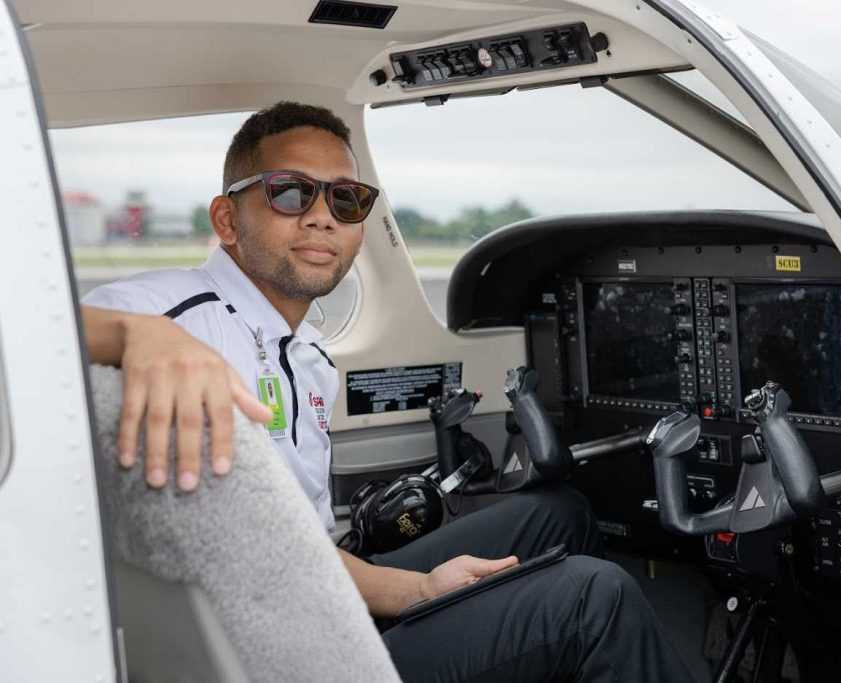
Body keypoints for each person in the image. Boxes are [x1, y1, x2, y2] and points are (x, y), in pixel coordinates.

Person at [83, 101, 704, 682]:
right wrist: (133, 335)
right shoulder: (164, 314)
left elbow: (297, 552)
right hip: (274, 654)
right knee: (593, 597)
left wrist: (417, 591)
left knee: (556, 512)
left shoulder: (308, 355)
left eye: (346, 199)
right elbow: (31, 333)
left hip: (311, 586)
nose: (322, 215)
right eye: (290, 192)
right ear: (226, 218)